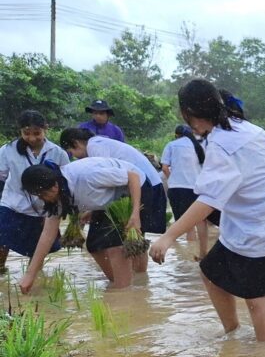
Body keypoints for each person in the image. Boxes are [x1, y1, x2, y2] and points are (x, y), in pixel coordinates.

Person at [150, 79, 265, 343]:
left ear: (188, 115)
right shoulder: (249, 129)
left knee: (256, 297)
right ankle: (232, 334)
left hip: (263, 228)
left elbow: (208, 201)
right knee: (212, 272)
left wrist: (168, 237)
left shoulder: (222, 144)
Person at [20, 158, 144, 291]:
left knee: (115, 246)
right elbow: (47, 234)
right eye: (37, 195)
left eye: (43, 194)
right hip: (107, 201)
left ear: (55, 186)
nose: (41, 198)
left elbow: (133, 177)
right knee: (95, 246)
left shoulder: (88, 176)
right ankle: (121, 284)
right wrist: (30, 275)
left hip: (136, 189)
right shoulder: (56, 197)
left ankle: (125, 292)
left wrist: (135, 213)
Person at [59, 128, 167, 273]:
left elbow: (112, 174)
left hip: (144, 185)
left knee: (134, 236)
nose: (76, 158)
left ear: (76, 144)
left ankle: (138, 280)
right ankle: (139, 283)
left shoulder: (95, 148)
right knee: (132, 237)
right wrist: (92, 209)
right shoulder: (99, 143)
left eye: (72, 153)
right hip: (140, 185)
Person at [0, 110, 71, 273]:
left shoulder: (57, 153)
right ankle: (1, 274)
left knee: (38, 246)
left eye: (37, 133)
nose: (32, 138)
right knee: (1, 238)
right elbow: (1, 178)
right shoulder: (7, 150)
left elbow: (66, 180)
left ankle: (33, 278)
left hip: (43, 208)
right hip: (12, 203)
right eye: (26, 133)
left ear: (45, 129)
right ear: (20, 131)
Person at [161, 124, 210, 258]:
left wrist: (172, 180)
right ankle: (201, 252)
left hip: (177, 188)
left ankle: (186, 256)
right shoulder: (199, 146)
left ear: (177, 135)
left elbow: (165, 168)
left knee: (184, 222)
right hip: (196, 187)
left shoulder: (171, 145)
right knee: (199, 220)